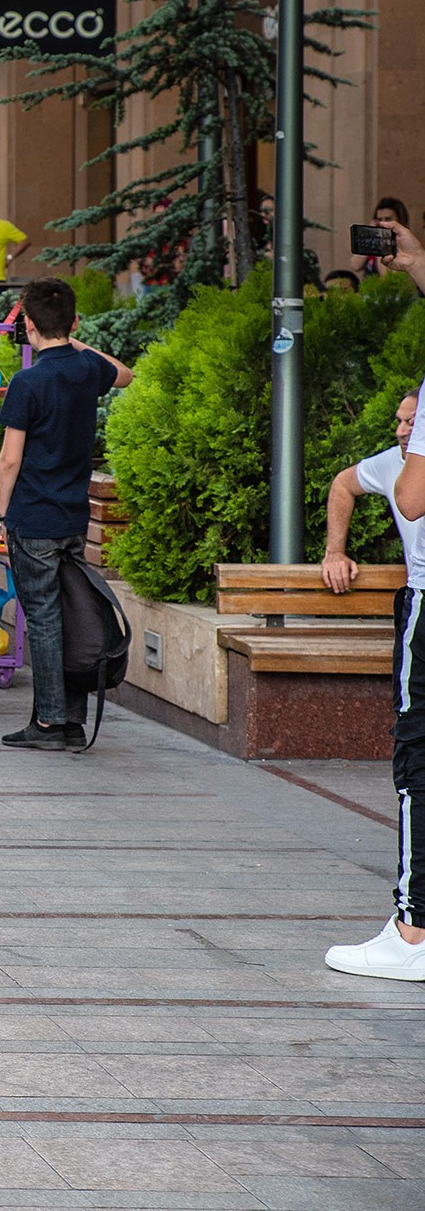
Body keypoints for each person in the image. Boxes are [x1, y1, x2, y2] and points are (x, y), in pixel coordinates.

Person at [0, 276, 132, 749]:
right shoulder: (86, 369)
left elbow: (9, 458)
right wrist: (75, 341)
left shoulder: (27, 382)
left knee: (45, 618)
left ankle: (50, 722)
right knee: (71, 613)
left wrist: (3, 511)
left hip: (33, 516)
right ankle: (70, 719)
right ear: (74, 323)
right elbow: (125, 373)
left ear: (28, 325)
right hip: (74, 515)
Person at [321, 390, 425, 981]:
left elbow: (411, 500)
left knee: (417, 760)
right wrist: (335, 550)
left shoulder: (412, 467)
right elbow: (344, 483)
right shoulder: (390, 460)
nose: (406, 429)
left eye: (416, 420)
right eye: (402, 421)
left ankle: (413, 932)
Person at [354, 198, 410, 280]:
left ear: (399, 220)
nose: (382, 223)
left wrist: (382, 244)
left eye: (388, 219)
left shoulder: (403, 244)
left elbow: (387, 276)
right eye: (379, 219)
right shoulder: (373, 241)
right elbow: (355, 265)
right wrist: (370, 236)